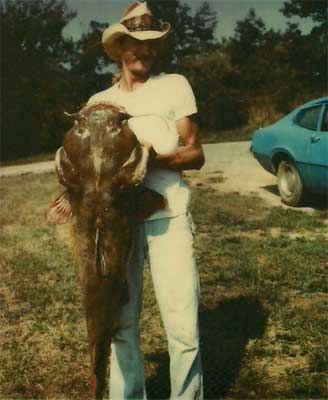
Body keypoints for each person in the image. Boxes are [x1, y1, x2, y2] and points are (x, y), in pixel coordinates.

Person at [87, 2, 205, 399]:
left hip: (169, 215)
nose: (144, 50)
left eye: (151, 44)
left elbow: (196, 153)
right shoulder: (98, 102)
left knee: (183, 326)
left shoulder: (174, 85)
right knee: (122, 324)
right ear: (120, 47)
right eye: (135, 43)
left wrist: (154, 158)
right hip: (118, 225)